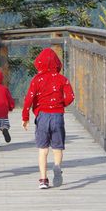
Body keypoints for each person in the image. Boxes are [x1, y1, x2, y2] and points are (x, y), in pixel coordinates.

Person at [22, 48, 74, 189]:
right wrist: (61, 104)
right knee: (57, 147)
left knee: (43, 149)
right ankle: (57, 166)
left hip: (42, 117)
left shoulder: (36, 80)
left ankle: (43, 179)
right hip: (57, 116)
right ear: (57, 64)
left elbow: (29, 99)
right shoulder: (62, 79)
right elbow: (70, 97)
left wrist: (25, 117)